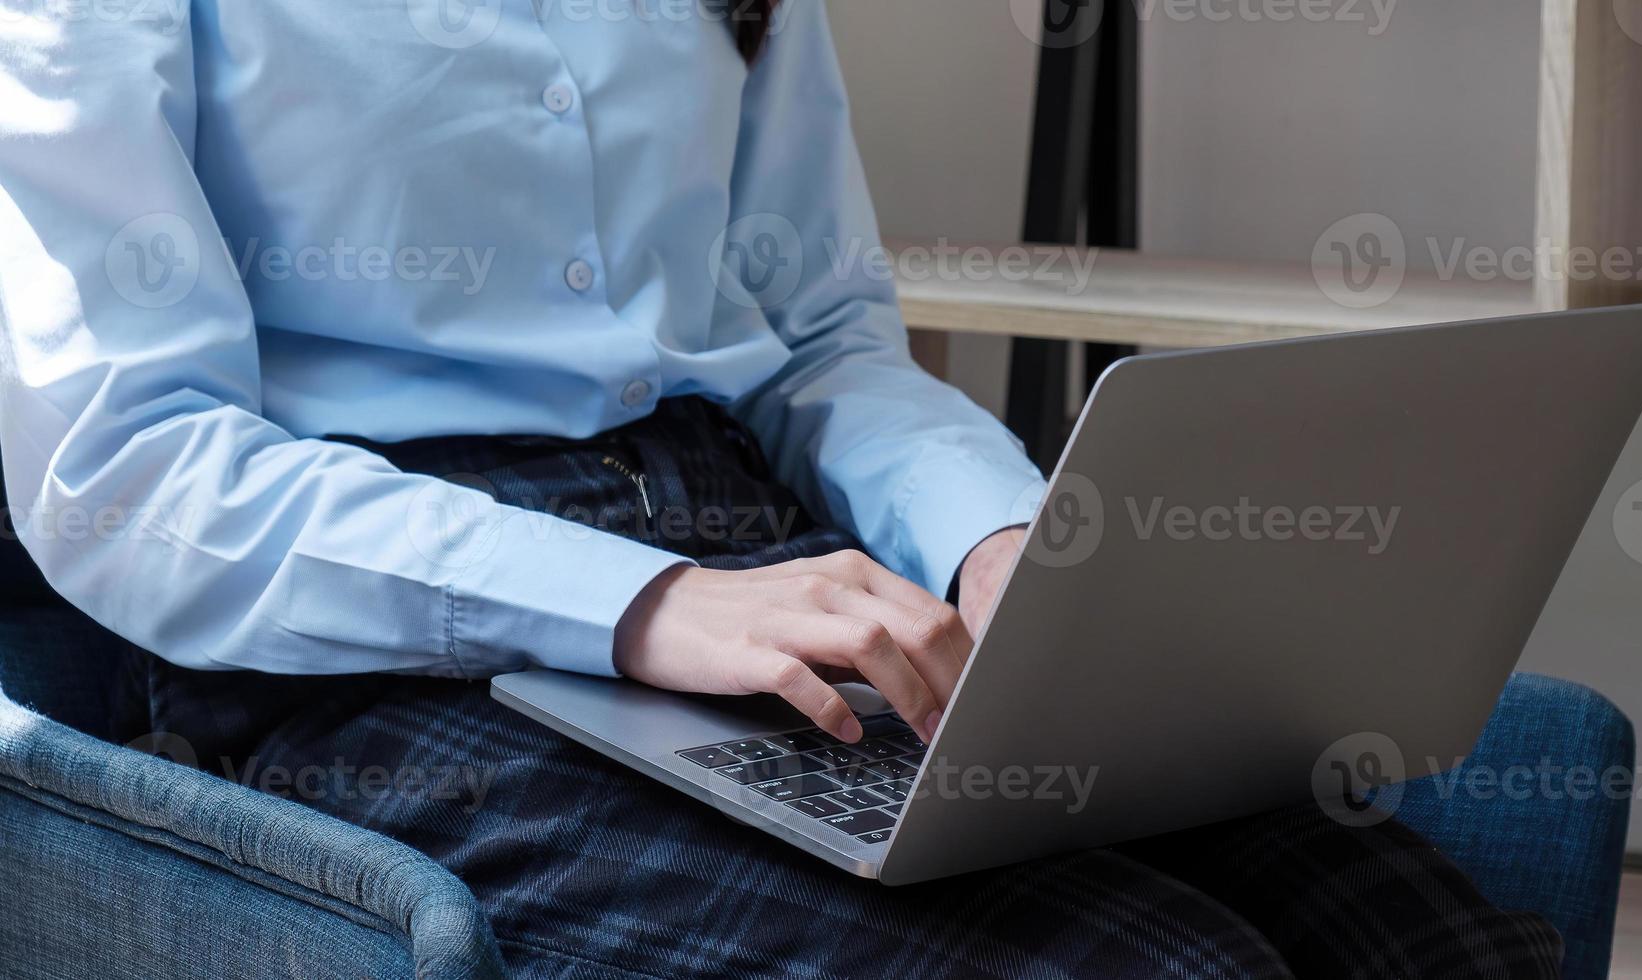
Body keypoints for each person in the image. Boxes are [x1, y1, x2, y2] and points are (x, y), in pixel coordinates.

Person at [0, 1, 1562, 975]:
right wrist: (641, 603)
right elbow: (129, 471)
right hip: (389, 652)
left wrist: (1001, 541)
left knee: (1416, 932)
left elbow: (811, 340)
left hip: (767, 558)